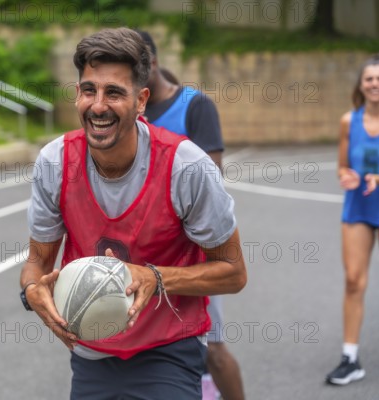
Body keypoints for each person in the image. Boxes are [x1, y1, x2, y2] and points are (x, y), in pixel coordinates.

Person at [19, 27, 247, 399]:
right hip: (92, 348)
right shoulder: (55, 161)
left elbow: (234, 273)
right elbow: (37, 262)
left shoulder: (186, 165)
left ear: (141, 101)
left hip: (168, 348)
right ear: (77, 94)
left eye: (114, 93)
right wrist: (32, 290)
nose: (98, 105)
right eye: (89, 90)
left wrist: (153, 278)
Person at [138, 30, 246, 400]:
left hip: (191, 249)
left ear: (151, 62)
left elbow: (212, 177)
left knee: (211, 349)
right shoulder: (129, 111)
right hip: (142, 250)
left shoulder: (194, 105)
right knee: (147, 351)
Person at [326, 54, 379, 386]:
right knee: (353, 281)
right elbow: (342, 167)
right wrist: (345, 176)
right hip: (359, 209)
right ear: (360, 85)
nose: (376, 84)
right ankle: (350, 357)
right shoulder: (349, 121)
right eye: (370, 78)